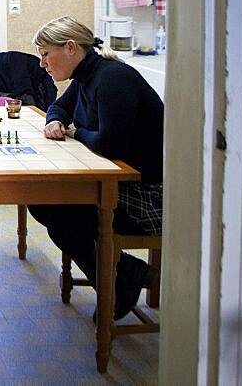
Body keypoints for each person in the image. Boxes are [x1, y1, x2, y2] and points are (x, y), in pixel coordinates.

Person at [28, 16, 164, 320]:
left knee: (65, 220)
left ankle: (117, 282)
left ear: (71, 48)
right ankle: (123, 274)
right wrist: (55, 120)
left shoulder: (113, 78)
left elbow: (109, 145)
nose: (42, 64)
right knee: (38, 199)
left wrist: (76, 132)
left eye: (45, 54)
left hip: (149, 196)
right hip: (120, 183)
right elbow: (59, 106)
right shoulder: (86, 78)